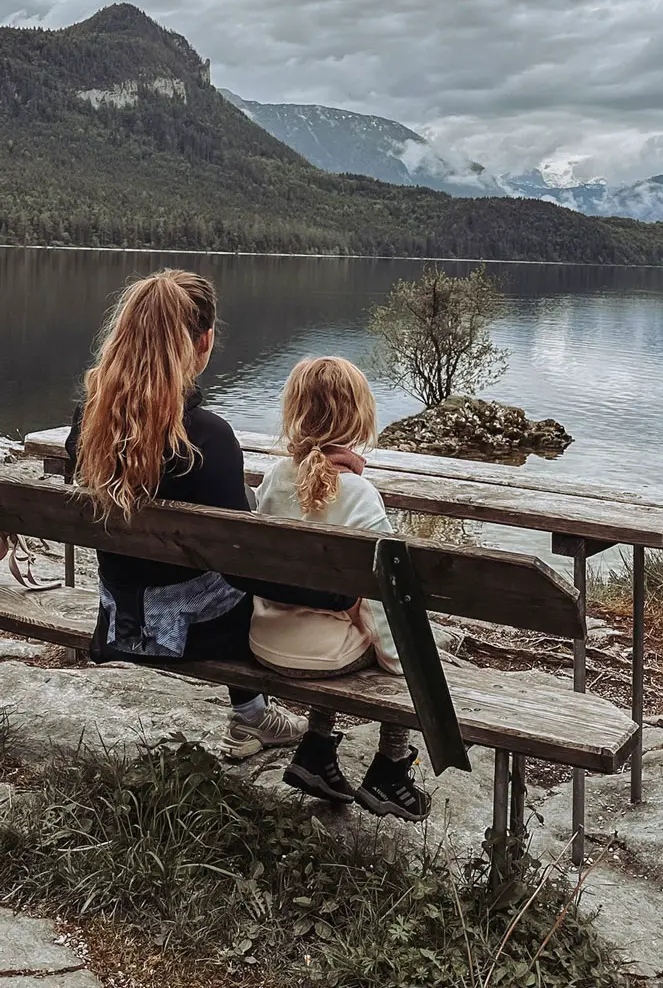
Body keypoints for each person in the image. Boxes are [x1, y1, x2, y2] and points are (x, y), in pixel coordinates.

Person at [64, 268, 336, 760]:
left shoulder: (89, 422)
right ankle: (257, 715)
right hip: (194, 633)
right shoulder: (207, 438)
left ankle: (253, 714)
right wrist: (332, 595)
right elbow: (245, 567)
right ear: (205, 341)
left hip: (118, 614)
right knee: (268, 577)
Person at [251, 356, 431, 822]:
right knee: (402, 642)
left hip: (264, 638)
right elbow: (390, 598)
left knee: (334, 620)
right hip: (319, 655)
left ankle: (316, 753)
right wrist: (401, 662)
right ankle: (390, 769)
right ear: (359, 418)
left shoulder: (273, 479)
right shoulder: (360, 496)